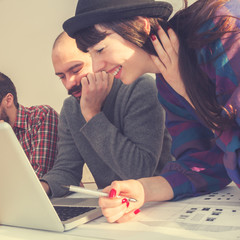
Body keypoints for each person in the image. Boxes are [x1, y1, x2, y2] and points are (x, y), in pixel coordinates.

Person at [63, 0, 240, 223]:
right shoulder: (167, 84)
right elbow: (202, 164)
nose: (96, 66)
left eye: (100, 49)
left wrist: (189, 94)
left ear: (140, 24)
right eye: (90, 54)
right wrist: (142, 189)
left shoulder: (224, 30)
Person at [40, 31, 173, 197]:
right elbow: (67, 170)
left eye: (76, 70)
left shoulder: (140, 88)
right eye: (61, 76)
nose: (69, 83)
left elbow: (139, 172)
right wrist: (41, 187)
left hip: (157, 202)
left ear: (97, 61)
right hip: (110, 203)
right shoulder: (70, 109)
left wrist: (92, 115)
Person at [0, 70, 59, 179]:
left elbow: (37, 179)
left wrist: (3, 142)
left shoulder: (41, 116)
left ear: (8, 100)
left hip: (57, 195)